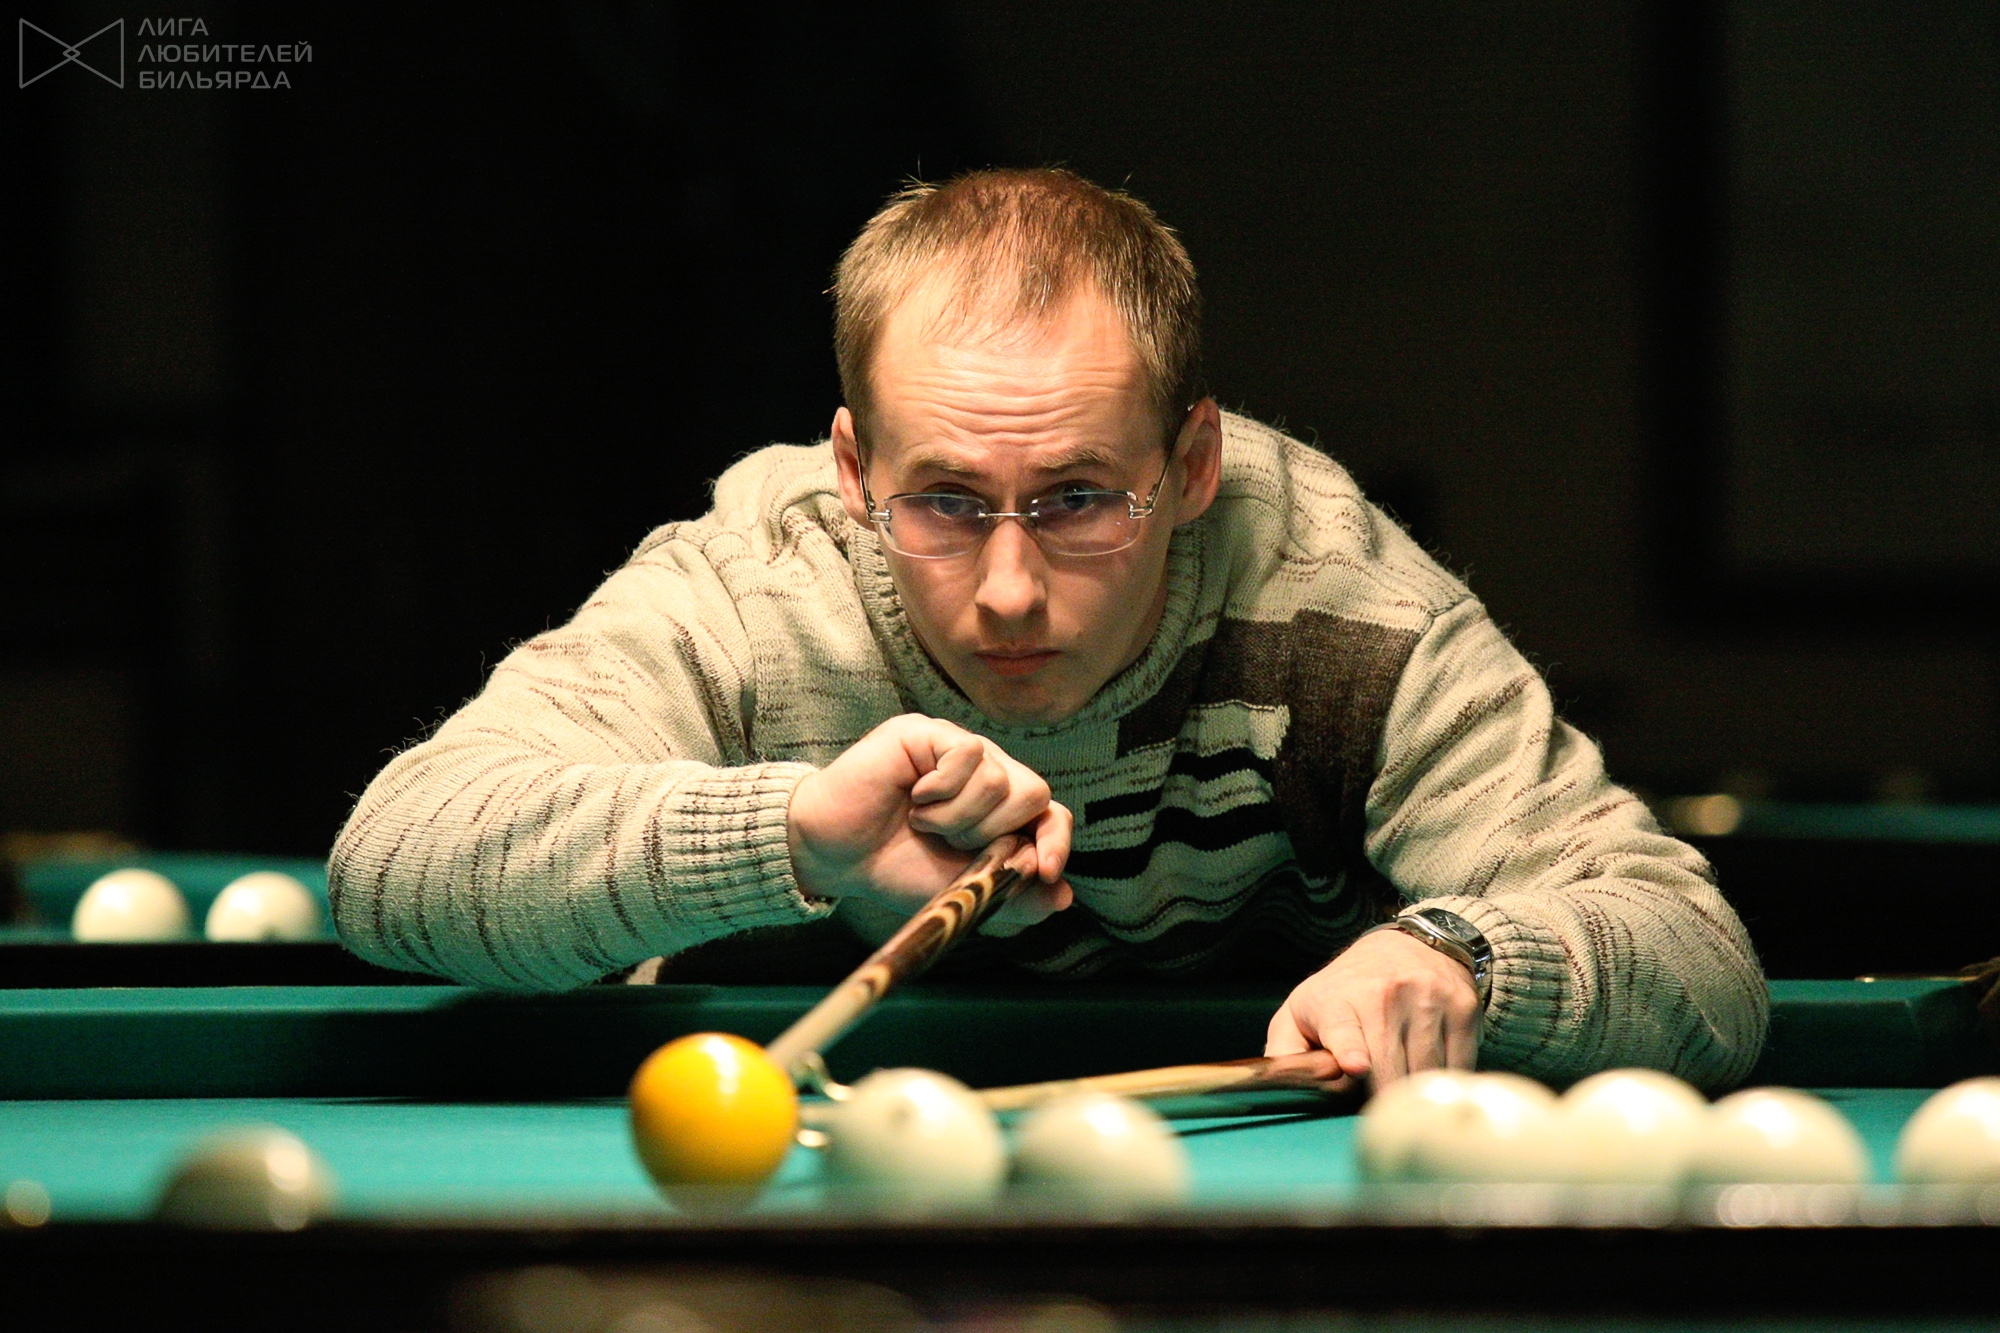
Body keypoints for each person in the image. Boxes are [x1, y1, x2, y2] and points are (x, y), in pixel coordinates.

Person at [330, 168, 1767, 1093]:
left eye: (1080, 498)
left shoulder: (1340, 605)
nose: (1010, 588)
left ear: (1192, 465)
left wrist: (1461, 955)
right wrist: (792, 834)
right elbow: (392, 864)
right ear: (853, 472)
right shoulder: (761, 590)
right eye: (945, 501)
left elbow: (1697, 956)